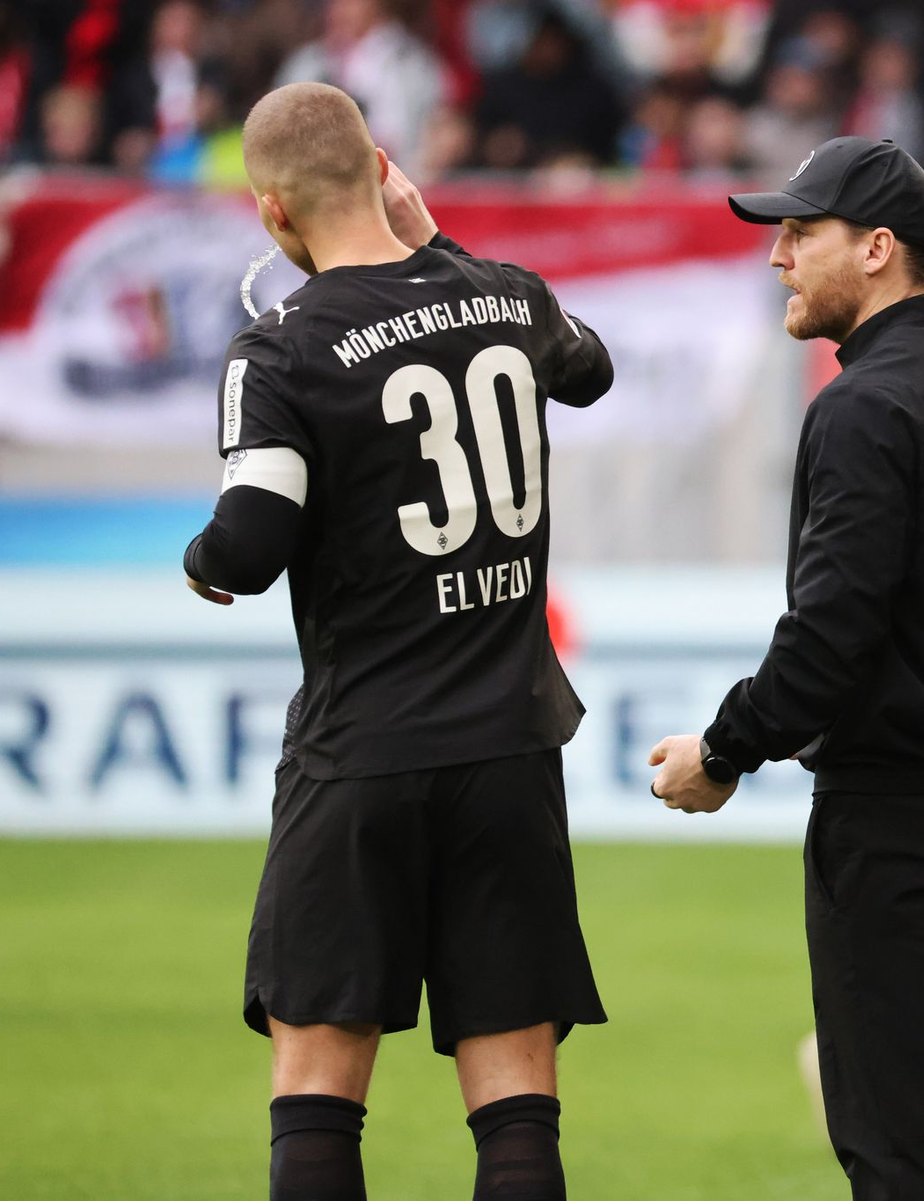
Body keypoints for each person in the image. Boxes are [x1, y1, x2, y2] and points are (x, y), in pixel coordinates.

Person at [182, 81, 612, 1201]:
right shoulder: (507, 298)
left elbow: (253, 538)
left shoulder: (279, 347)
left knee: (320, 1081)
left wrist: (200, 561)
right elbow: (592, 367)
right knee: (517, 1095)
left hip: (361, 754)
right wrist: (443, 246)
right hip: (511, 752)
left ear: (273, 215)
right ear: (385, 171)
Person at [648, 136, 924, 1200]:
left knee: (901, 1140)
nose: (778, 257)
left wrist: (723, 748)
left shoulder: (865, 407)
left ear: (879, 247)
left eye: (801, 233)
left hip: (901, 815)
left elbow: (832, 634)